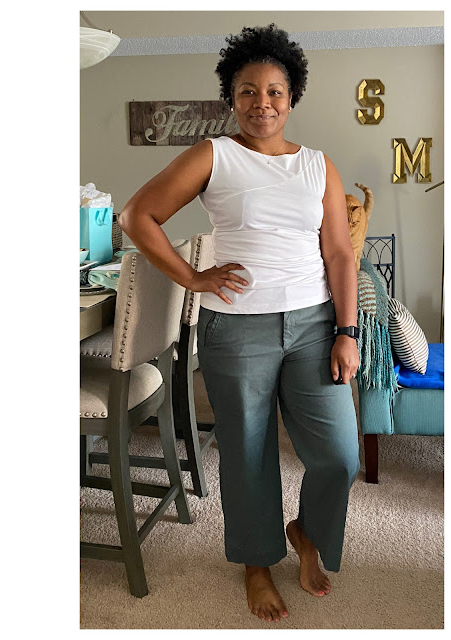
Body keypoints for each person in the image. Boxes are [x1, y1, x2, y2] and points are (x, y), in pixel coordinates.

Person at [119, 24, 360, 623]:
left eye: (274, 91)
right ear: (231, 96)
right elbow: (138, 214)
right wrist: (192, 277)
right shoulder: (213, 155)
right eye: (248, 91)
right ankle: (257, 562)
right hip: (237, 329)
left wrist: (347, 330)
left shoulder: (318, 166)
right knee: (248, 452)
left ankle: (307, 531)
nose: (262, 103)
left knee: (339, 455)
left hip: (314, 324)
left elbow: (339, 254)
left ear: (291, 97)